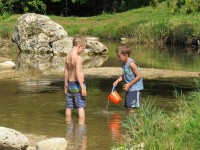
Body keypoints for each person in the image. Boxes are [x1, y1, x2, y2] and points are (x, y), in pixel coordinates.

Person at [113, 44, 144, 113]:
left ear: (126, 55)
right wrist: (117, 80)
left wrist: (129, 85)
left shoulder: (131, 64)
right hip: (129, 88)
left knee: (132, 107)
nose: (118, 58)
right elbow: (124, 74)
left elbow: (139, 76)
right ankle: (130, 121)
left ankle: (135, 121)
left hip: (135, 88)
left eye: (119, 56)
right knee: (128, 106)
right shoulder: (124, 63)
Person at [64, 36, 87, 120]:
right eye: (83, 48)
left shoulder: (67, 56)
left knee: (69, 106)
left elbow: (66, 72)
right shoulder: (78, 58)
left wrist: (65, 86)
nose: (83, 50)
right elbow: (77, 73)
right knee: (81, 106)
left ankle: (68, 126)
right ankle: (81, 126)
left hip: (70, 84)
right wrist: (82, 87)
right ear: (79, 46)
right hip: (78, 84)